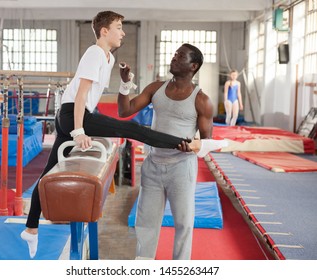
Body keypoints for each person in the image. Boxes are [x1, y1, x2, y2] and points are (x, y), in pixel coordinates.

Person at [20, 11, 224, 259]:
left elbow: (98, 97)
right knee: (133, 130)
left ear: (193, 66)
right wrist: (79, 131)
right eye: (119, 27)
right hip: (75, 114)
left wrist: (125, 81)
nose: (123, 32)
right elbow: (84, 94)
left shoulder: (107, 58)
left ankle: (31, 228)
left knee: (46, 175)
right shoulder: (95, 53)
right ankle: (188, 144)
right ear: (104, 31)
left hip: (176, 165)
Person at [117, 43, 228, 260]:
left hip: (181, 168)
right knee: (146, 223)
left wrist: (193, 146)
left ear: (193, 66)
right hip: (153, 165)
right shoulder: (156, 88)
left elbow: (206, 142)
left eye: (180, 56)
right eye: (174, 54)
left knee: (183, 224)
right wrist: (124, 84)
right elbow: (124, 111)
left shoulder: (202, 100)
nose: (174, 58)